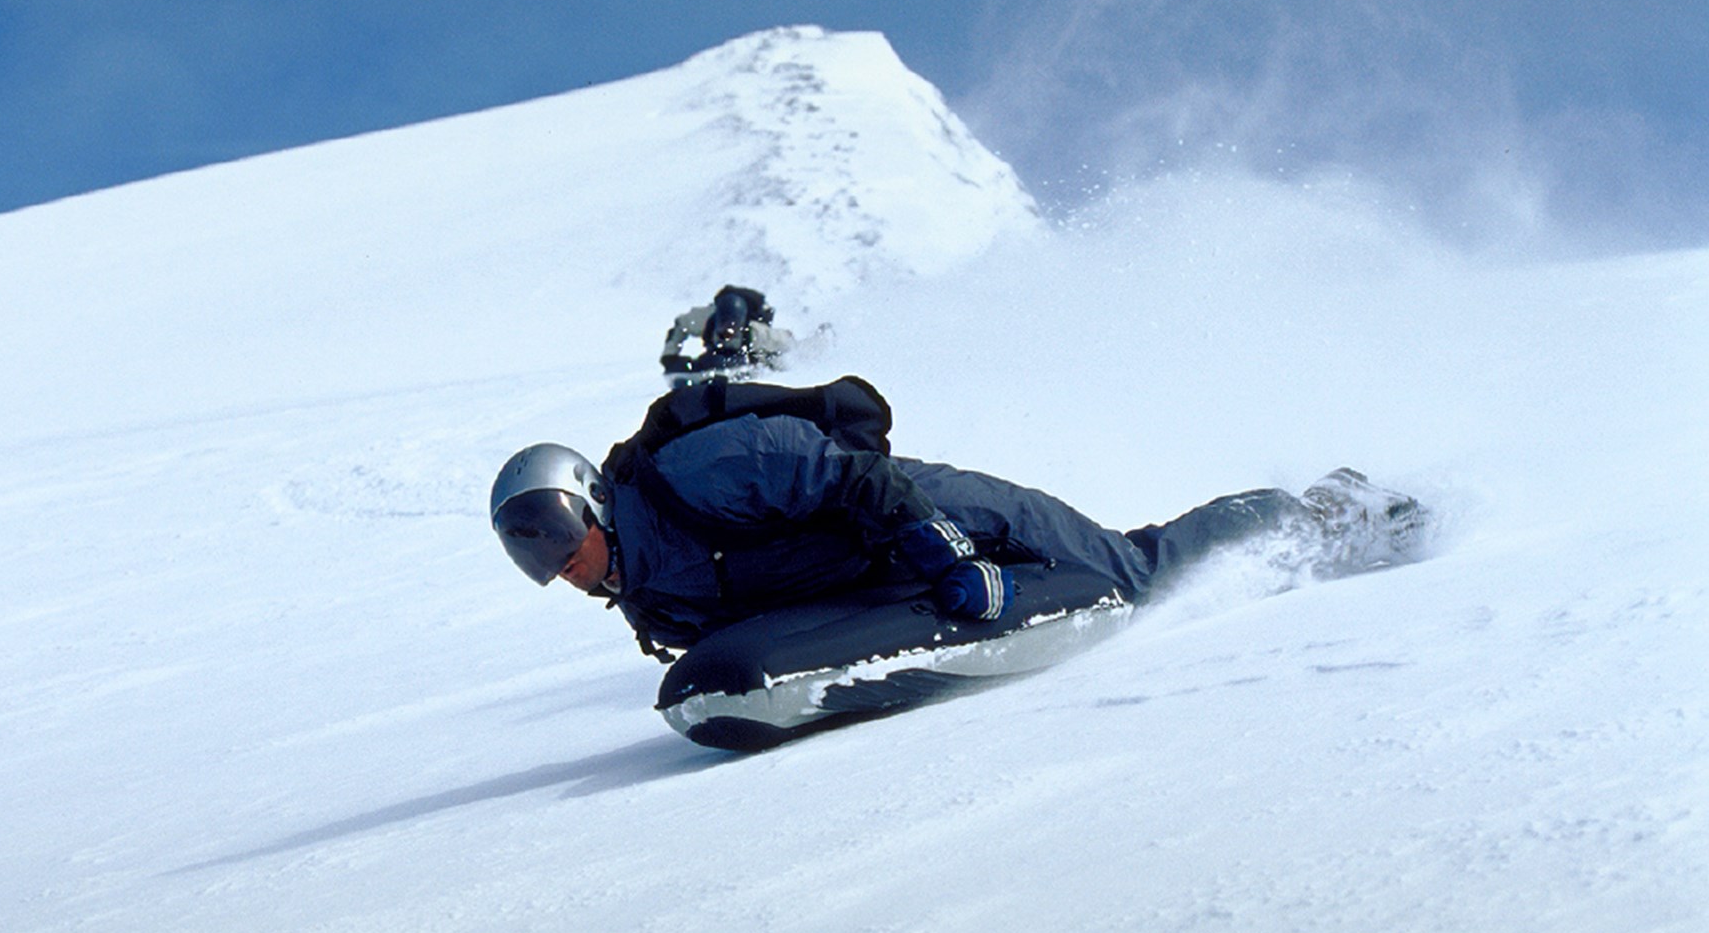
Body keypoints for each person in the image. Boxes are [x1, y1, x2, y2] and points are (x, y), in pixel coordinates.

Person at [489, 382, 1430, 658]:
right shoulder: (655, 602)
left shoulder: (693, 475)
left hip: (938, 515)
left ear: (591, 500)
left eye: (557, 533)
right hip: (886, 578)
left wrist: (948, 558)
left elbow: (855, 477)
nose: (559, 562)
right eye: (537, 556)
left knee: (1133, 571)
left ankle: (1324, 512)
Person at [660, 284, 797, 383]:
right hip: (715, 356)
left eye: (734, 325)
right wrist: (669, 355)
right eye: (724, 323)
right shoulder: (703, 320)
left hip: (744, 360)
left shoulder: (756, 333)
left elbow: (786, 341)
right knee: (700, 363)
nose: (729, 330)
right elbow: (680, 326)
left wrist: (777, 364)